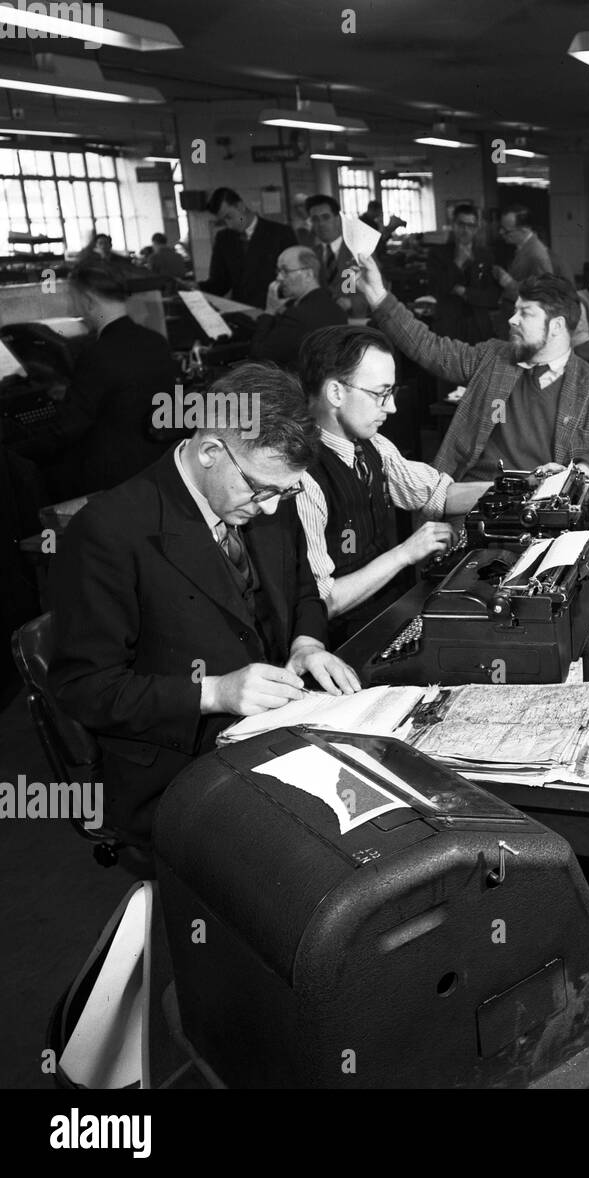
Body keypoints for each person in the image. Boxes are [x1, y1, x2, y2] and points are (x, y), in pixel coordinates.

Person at [47, 363, 359, 852]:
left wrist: (306, 643)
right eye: (262, 490)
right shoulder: (110, 530)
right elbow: (83, 689)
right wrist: (214, 692)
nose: (273, 508)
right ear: (212, 450)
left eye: (286, 491)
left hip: (267, 733)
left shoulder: (268, 487)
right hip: (176, 767)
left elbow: (303, 588)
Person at [355, 255, 589, 482]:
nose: (512, 320)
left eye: (525, 313)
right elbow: (428, 347)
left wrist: (582, 469)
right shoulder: (493, 357)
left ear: (557, 326)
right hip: (472, 501)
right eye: (514, 311)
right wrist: (380, 298)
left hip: (543, 512)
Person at [295, 325, 492, 641]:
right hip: (341, 642)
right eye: (380, 393)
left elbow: (439, 493)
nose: (392, 407)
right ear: (335, 393)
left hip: (390, 615)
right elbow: (323, 602)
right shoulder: (301, 476)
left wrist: (524, 486)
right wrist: (405, 553)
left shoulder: (374, 446)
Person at [12, 258, 178, 499]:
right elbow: (124, 394)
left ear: (88, 302)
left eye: (74, 300)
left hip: (109, 478)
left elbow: (67, 430)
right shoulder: (157, 342)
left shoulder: (98, 354)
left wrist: (16, 452)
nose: (73, 310)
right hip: (154, 466)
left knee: (33, 478)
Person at [248, 246, 347, 369]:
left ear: (308, 275)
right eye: (278, 271)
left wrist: (269, 311)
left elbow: (258, 355)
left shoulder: (297, 316)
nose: (279, 278)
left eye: (285, 271)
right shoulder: (337, 309)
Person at [199, 187, 297, 308]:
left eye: (229, 217)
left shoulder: (280, 233)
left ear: (240, 206)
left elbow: (294, 278)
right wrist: (196, 288)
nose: (229, 225)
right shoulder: (224, 239)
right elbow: (219, 283)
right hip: (242, 313)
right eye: (223, 221)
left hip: (275, 311)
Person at [425, 203, 499, 345]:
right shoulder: (437, 254)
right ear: (453, 225)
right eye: (461, 225)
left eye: (470, 226)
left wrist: (464, 291)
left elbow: (492, 296)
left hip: (479, 325)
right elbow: (437, 289)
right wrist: (457, 263)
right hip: (448, 325)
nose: (465, 230)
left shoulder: (485, 255)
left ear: (476, 228)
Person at [306, 193, 367, 319]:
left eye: (326, 217)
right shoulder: (310, 254)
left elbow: (379, 290)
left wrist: (351, 302)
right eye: (315, 219)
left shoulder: (358, 250)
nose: (321, 224)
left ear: (338, 219)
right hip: (321, 322)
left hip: (354, 321)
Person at [493, 205, 553, 301]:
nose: (501, 232)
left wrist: (509, 283)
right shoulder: (520, 247)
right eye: (501, 228)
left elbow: (543, 295)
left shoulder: (536, 254)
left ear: (524, 230)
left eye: (506, 231)